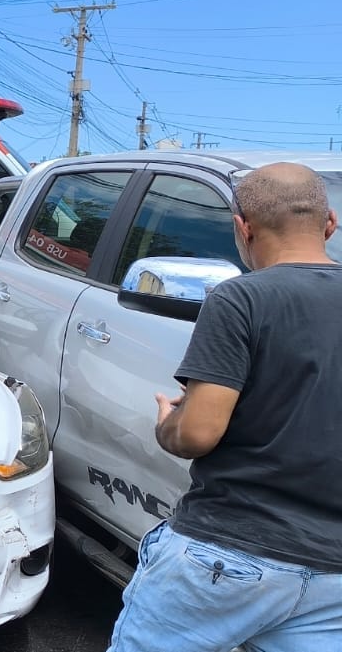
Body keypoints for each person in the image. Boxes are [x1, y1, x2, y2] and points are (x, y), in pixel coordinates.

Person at [108, 162, 342, 652]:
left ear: (243, 227)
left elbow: (197, 435)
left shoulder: (241, 298)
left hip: (230, 552)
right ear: (330, 224)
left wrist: (170, 422)